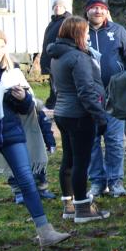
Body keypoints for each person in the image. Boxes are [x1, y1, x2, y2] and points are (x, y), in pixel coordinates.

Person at [0, 20, 70, 246]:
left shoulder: (11, 71)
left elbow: (26, 108)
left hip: (11, 133)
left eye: (2, 45)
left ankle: (45, 232)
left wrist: (24, 98)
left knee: (27, 180)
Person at [48, 15, 112, 224]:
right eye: (85, 32)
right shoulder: (78, 57)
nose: (88, 36)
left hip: (62, 112)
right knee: (80, 162)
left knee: (68, 160)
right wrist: (100, 117)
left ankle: (68, 205)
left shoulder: (57, 55)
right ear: (77, 34)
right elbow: (86, 91)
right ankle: (83, 208)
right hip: (79, 115)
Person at [85, 0, 126, 198]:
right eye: (94, 7)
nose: (98, 11)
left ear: (107, 11)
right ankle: (97, 181)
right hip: (89, 97)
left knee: (114, 141)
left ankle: (115, 181)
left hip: (115, 97)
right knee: (92, 141)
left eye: (102, 8)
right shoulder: (80, 31)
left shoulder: (118, 31)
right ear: (87, 10)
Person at [39, 0, 70, 108]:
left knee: (59, 82)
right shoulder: (53, 22)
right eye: (56, 6)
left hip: (59, 56)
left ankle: (57, 102)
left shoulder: (67, 21)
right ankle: (53, 101)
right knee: (52, 81)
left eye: (60, 6)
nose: (57, 8)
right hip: (50, 55)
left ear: (64, 8)